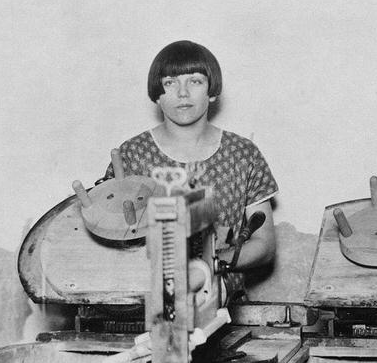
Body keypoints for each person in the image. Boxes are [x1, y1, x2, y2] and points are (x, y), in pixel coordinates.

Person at [105, 39, 278, 276]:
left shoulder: (243, 153)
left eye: (195, 81)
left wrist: (207, 264)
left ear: (212, 91)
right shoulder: (132, 154)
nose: (182, 92)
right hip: (142, 298)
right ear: (157, 95)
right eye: (170, 82)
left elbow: (264, 244)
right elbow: (110, 240)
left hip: (220, 296)